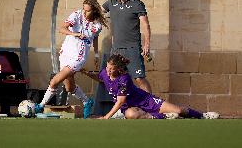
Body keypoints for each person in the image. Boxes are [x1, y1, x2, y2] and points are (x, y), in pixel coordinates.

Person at [80, 54, 220, 119]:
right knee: (131, 114)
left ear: (118, 69)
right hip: (131, 107)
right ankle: (161, 117)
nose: (108, 70)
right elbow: (100, 78)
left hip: (146, 100)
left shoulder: (124, 78)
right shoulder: (105, 73)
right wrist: (85, 73)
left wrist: (106, 117)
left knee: (178, 110)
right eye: (108, 67)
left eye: (111, 68)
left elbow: (120, 100)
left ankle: (202, 115)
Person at [35, 0, 108, 119]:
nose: (84, 13)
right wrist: (75, 34)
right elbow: (62, 28)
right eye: (84, 9)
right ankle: (86, 101)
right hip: (66, 53)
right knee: (69, 87)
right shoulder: (76, 15)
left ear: (94, 11)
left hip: (78, 57)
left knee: (54, 81)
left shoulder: (97, 25)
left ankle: (41, 105)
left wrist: (96, 54)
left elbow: (94, 37)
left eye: (88, 11)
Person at [102, 0, 152, 93]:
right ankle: (121, 108)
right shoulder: (111, 3)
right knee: (116, 78)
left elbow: (145, 25)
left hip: (132, 48)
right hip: (116, 49)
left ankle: (151, 105)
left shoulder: (137, 4)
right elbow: (96, 12)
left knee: (139, 78)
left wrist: (146, 44)